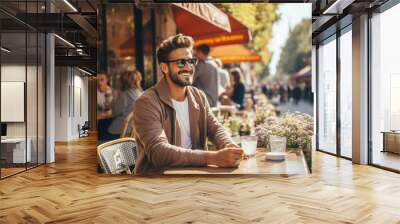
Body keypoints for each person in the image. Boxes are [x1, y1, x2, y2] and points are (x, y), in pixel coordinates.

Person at [132, 34, 245, 175]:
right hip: (158, 185)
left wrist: (228, 144)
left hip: (195, 178)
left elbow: (215, 127)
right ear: (164, 68)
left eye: (191, 61)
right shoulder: (147, 102)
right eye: (181, 62)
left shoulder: (198, 96)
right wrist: (213, 158)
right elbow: (158, 152)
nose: (188, 67)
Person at [108, 70, 143, 138]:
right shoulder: (140, 93)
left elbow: (115, 113)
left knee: (101, 129)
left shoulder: (124, 95)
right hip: (134, 130)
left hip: (121, 131)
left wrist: (114, 99)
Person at [97, 72, 114, 141]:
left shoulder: (112, 91)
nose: (99, 82)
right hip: (100, 120)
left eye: (102, 80)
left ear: (107, 80)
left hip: (109, 121)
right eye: (97, 80)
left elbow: (110, 108)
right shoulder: (94, 92)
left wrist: (108, 97)